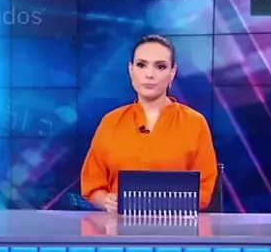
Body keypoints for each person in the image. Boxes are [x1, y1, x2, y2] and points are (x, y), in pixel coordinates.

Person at [80, 34, 218, 213]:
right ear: (131, 70)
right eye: (141, 65)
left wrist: (164, 207)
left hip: (177, 226)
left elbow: (204, 190)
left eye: (160, 66)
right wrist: (107, 201)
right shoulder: (111, 122)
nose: (150, 74)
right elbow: (93, 186)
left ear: (172, 72)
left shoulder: (195, 123)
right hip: (119, 227)